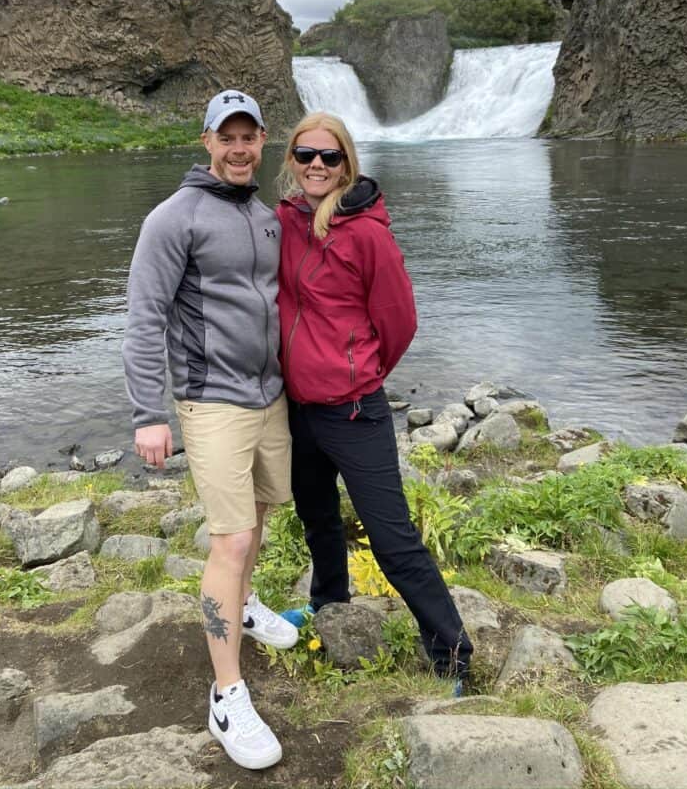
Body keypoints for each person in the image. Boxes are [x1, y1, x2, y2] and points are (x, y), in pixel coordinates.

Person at [122, 89, 298, 771]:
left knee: (259, 514)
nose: (239, 148)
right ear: (205, 141)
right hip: (211, 401)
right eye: (227, 136)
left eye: (249, 136)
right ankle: (227, 694)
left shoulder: (262, 215)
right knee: (231, 540)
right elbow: (143, 318)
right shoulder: (174, 219)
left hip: (269, 398)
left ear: (262, 141)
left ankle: (245, 603)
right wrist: (148, 414)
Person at [276, 111, 473, 686]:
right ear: (291, 160)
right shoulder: (284, 221)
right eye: (306, 154)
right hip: (299, 407)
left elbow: (400, 322)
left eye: (329, 156)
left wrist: (359, 369)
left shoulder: (367, 234)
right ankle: (329, 606)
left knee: (392, 539)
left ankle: (451, 652)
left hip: (354, 409)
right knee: (317, 519)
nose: (317, 165)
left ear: (346, 164)